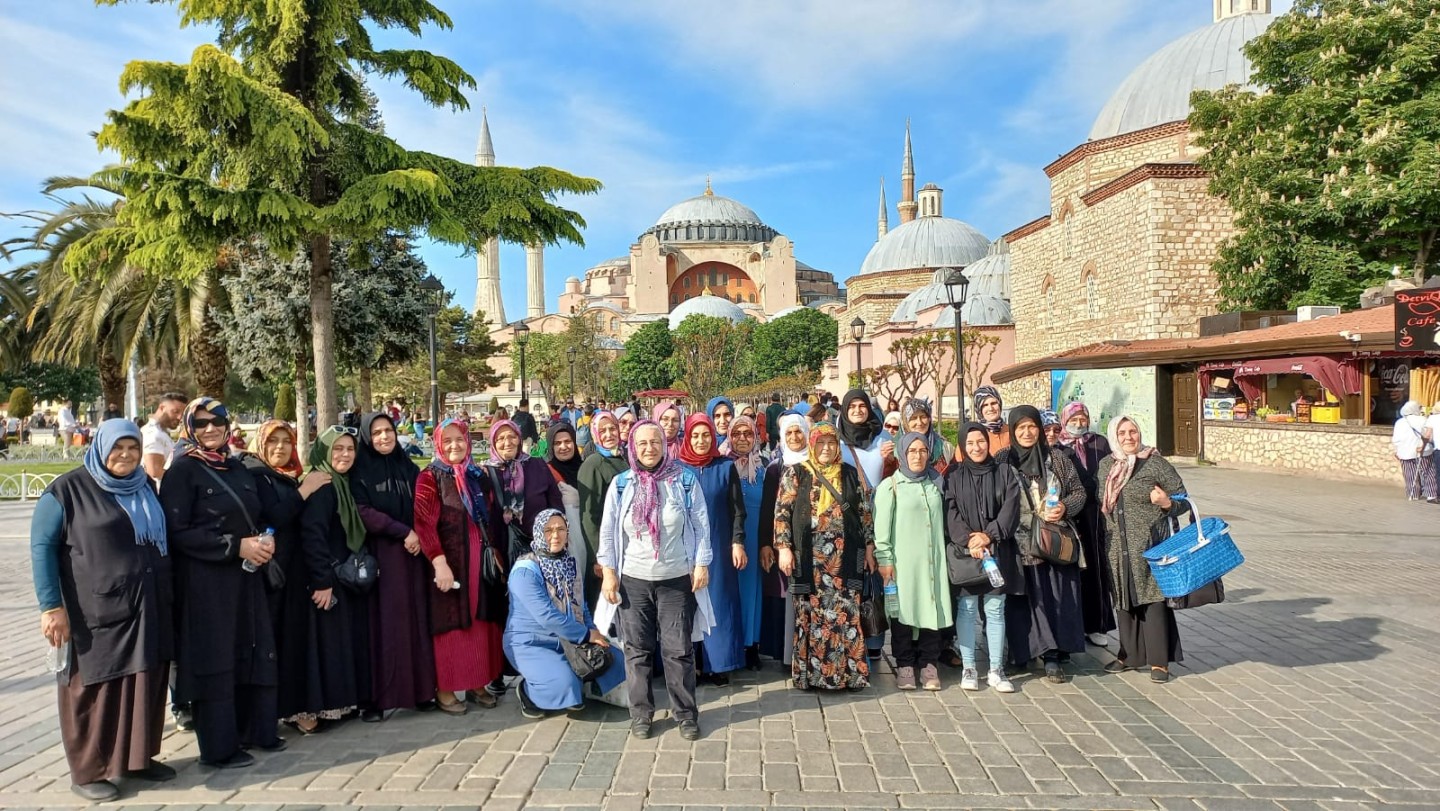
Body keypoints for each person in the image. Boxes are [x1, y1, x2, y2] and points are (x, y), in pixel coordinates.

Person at [30, 420, 175, 801]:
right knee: (94, 686)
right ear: (100, 447)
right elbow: (41, 548)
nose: (126, 455)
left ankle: (136, 759)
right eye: (118, 448)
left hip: (147, 605)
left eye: (133, 448)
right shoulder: (66, 491)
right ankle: (88, 770)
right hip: (93, 610)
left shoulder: (144, 485)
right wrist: (50, 607)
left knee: (143, 679)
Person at [158, 397, 282, 769]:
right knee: (215, 659)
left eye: (217, 421)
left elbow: (255, 514)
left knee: (251, 649)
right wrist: (234, 546)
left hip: (245, 579)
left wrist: (264, 538)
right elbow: (177, 532)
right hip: (207, 583)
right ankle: (220, 747)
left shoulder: (237, 466)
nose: (209, 429)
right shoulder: (182, 472)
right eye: (200, 423)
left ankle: (254, 731)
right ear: (188, 429)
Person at [595, 421, 715, 741]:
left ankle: (686, 714)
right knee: (638, 650)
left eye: (655, 442)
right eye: (642, 443)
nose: (649, 448)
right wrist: (609, 573)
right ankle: (641, 714)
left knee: (678, 650)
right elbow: (608, 532)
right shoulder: (622, 484)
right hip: (633, 580)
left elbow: (701, 525)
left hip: (675, 579)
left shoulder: (685, 480)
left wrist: (702, 563)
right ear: (633, 447)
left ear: (665, 444)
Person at [773, 422, 873, 691]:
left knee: (846, 614)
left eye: (831, 442)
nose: (826, 448)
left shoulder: (850, 474)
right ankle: (811, 676)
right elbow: (782, 512)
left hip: (846, 558)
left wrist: (870, 547)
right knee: (810, 615)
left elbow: (864, 513)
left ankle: (849, 676)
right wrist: (783, 548)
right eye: (821, 442)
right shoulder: (797, 473)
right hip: (809, 560)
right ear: (812, 444)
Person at [284, 426, 372, 732]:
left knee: (332, 643)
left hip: (337, 576)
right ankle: (307, 712)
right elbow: (312, 535)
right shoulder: (322, 485)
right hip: (320, 579)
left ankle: (333, 705)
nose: (345, 455)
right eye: (338, 449)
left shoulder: (342, 484)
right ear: (324, 452)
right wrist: (322, 581)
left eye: (350, 449)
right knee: (317, 647)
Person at [415, 420, 506, 714]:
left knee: (480, 623)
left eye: (460, 440)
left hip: (480, 563)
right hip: (450, 564)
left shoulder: (477, 475)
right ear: (439, 444)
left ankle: (477, 682)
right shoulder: (430, 477)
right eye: (448, 440)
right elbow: (424, 524)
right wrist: (439, 563)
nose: (455, 446)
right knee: (452, 627)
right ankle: (445, 688)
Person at [350, 412, 437, 718]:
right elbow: (363, 511)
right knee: (384, 627)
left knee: (416, 622)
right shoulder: (359, 470)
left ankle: (421, 691)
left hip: (413, 557)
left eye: (388, 430)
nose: (384, 437)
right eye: (376, 433)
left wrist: (418, 533)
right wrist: (404, 532)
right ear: (366, 437)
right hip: (382, 556)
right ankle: (378, 699)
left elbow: (423, 504)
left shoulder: (408, 467)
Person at [505, 509, 626, 718]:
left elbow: (582, 606)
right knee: (563, 685)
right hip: (534, 642)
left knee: (618, 662)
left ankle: (575, 685)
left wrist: (594, 633)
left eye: (561, 529)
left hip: (571, 638)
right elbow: (547, 616)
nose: (555, 535)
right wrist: (586, 635)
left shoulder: (569, 562)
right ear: (537, 532)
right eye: (548, 530)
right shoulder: (525, 570)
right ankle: (528, 691)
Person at [1098, 415, 1191, 683]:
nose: (1129, 437)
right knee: (1124, 599)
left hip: (1151, 544)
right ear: (1114, 435)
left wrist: (1165, 503)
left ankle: (1159, 661)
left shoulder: (1155, 463)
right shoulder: (1106, 465)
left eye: (1133, 431)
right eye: (1123, 432)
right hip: (1117, 545)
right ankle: (1128, 654)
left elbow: (1182, 499)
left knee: (1153, 599)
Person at [997, 406, 1087, 683]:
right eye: (1020, 428)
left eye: (1032, 427)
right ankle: (1020, 654)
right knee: (1020, 600)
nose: (1026, 433)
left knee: (1053, 597)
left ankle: (1051, 656)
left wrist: (1064, 507)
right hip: (1016, 543)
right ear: (1012, 430)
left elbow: (1079, 492)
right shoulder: (1002, 459)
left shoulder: (1057, 458)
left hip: (1052, 541)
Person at [944, 422, 1022, 694]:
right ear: (962, 447)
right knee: (966, 610)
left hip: (997, 550)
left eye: (981, 442)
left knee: (995, 610)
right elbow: (951, 515)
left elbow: (1011, 509)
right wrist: (970, 540)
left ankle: (996, 669)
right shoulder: (953, 476)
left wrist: (989, 535)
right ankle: (968, 668)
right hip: (967, 554)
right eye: (970, 443)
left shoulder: (1003, 472)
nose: (976, 448)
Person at [874, 433, 953, 691]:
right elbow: (881, 531)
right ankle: (905, 664)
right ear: (901, 454)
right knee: (902, 612)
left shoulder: (936, 483)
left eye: (922, 450)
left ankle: (929, 665)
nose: (917, 456)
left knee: (932, 610)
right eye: (912, 451)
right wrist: (885, 560)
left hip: (932, 562)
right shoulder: (890, 487)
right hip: (902, 564)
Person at [677, 413, 747, 683]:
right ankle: (692, 663)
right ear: (687, 437)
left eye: (706, 434)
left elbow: (738, 510)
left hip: (719, 543)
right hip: (684, 547)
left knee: (718, 602)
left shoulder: (725, 467)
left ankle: (719, 664)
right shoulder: (678, 468)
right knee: (688, 602)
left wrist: (737, 541)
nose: (701, 440)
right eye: (695, 435)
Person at [1055, 402, 1118, 646]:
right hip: (1069, 514)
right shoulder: (1058, 445)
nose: (1079, 423)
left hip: (1095, 515)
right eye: (1075, 419)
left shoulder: (1099, 442)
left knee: (1095, 567)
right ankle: (1074, 624)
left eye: (1083, 419)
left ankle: (1097, 624)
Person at [835, 389, 891, 659]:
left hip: (880, 513)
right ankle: (850, 636)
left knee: (874, 577)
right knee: (851, 575)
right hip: (849, 515)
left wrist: (891, 457)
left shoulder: (882, 437)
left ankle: (874, 638)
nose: (858, 410)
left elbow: (895, 469)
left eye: (862, 405)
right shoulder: (837, 439)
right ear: (844, 410)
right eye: (852, 406)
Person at [757, 413, 809, 664]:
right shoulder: (775, 468)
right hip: (783, 543)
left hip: (812, 544)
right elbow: (768, 509)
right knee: (783, 594)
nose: (795, 437)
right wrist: (767, 543)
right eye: (789, 433)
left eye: (799, 431)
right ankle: (786, 653)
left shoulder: (817, 464)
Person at [727, 415, 766, 670]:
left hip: (754, 536)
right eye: (737, 433)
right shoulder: (721, 465)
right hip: (729, 538)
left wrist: (766, 544)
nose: (742, 438)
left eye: (748, 433)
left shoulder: (764, 468)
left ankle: (751, 644)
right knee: (730, 592)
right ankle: (731, 644)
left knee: (752, 591)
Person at [578, 410, 628, 606]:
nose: (609, 434)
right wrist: (597, 557)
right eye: (603, 430)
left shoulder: (623, 458)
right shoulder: (593, 464)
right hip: (605, 550)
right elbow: (588, 515)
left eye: (612, 429)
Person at [544, 422, 587, 603]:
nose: (563, 447)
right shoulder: (546, 472)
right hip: (566, 542)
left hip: (590, 540)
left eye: (568, 441)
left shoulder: (586, 468)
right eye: (557, 443)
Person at [1393, 401, 1437, 502]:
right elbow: (1429, 436)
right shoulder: (1423, 420)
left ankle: (1413, 494)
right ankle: (1431, 494)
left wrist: (1397, 450)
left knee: (1410, 474)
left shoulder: (1399, 422)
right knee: (1428, 471)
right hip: (1423, 450)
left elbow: (1396, 439)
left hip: (1405, 452)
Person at [141, 393, 186, 483]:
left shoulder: (160, 432)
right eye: (175, 412)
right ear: (162, 408)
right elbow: (154, 472)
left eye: (182, 414)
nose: (180, 417)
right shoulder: (153, 434)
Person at [903, 397, 955, 473]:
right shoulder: (896, 450)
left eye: (923, 417)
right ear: (906, 422)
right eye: (913, 418)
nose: (919, 422)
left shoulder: (945, 448)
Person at [973, 386, 1010, 453]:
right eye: (985, 405)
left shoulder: (1012, 431)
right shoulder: (972, 435)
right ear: (979, 409)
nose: (990, 408)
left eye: (993, 403)